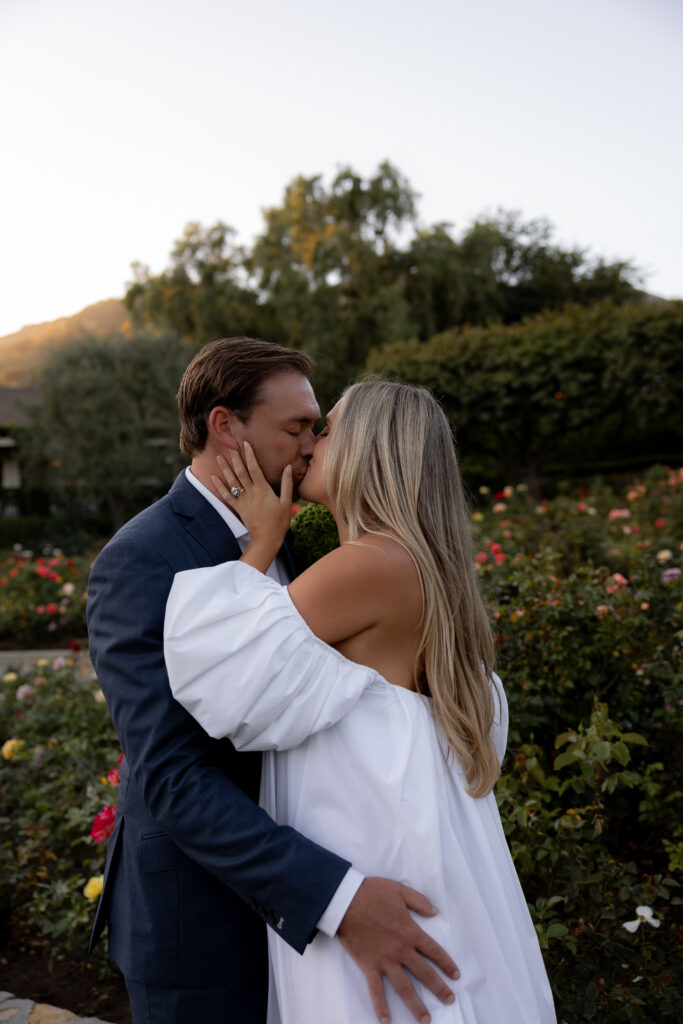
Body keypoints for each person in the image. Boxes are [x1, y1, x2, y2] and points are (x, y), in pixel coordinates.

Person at [87, 339, 458, 1024]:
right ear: (226, 427)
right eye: (297, 428)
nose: (314, 444)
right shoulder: (140, 560)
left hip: (322, 913)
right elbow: (172, 774)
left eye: (317, 427)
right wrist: (334, 898)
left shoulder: (302, 538)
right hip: (202, 924)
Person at [164, 379, 557, 1023]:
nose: (312, 444)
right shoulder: (418, 565)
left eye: (330, 429)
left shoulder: (367, 566)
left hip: (374, 869)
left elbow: (221, 673)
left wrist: (260, 543)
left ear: (372, 450)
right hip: (420, 860)